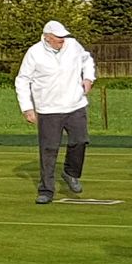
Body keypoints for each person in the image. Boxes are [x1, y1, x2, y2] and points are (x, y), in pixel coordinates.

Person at [15, 21, 96, 203]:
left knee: (80, 141)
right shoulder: (34, 53)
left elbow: (87, 59)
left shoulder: (73, 45)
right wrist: (27, 107)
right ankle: (46, 190)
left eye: (64, 37)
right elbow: (22, 80)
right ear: (47, 38)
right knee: (49, 149)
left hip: (75, 104)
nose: (63, 41)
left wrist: (89, 78)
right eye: (58, 38)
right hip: (48, 109)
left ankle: (70, 172)